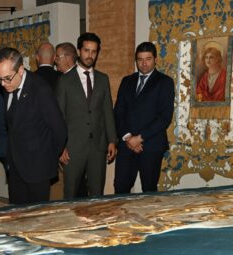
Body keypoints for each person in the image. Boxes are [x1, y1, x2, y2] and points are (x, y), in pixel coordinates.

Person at [0, 47, 67, 204]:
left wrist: (46, 157)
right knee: (17, 214)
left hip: (37, 169)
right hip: (15, 167)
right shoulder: (9, 85)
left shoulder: (41, 90)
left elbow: (60, 130)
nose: (2, 83)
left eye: (7, 78)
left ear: (20, 70)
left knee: (36, 218)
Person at [56, 32, 117, 199]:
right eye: (86, 50)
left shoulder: (103, 79)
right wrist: (61, 147)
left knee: (97, 193)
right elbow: (59, 116)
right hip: (73, 148)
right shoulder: (64, 81)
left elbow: (107, 111)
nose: (90, 55)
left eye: (94, 51)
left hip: (98, 146)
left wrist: (112, 140)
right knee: (70, 193)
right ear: (78, 51)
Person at [113, 41, 175, 194]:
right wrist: (128, 138)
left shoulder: (165, 82)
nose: (144, 63)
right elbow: (119, 112)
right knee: (120, 188)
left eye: (148, 59)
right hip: (126, 145)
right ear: (136, 60)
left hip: (151, 145)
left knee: (149, 191)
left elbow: (164, 117)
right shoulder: (126, 81)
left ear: (155, 59)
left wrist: (139, 138)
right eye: (140, 59)